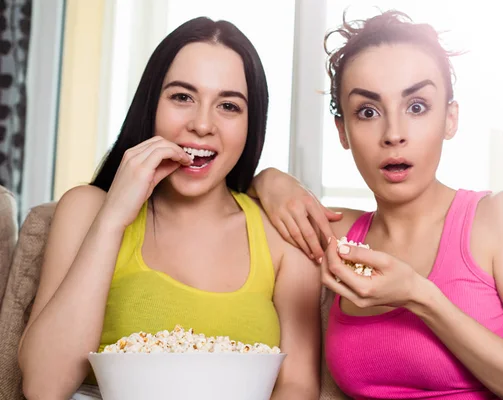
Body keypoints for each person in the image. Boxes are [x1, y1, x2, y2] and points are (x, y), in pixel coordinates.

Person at [251, 10, 503, 400]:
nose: (394, 134)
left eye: (417, 106)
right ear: (343, 132)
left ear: (450, 119)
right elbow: (237, 207)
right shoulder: (337, 235)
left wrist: (419, 297)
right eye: (368, 112)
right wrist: (268, 178)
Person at [18, 17, 320, 400]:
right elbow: (44, 387)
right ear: (151, 104)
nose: (202, 124)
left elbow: (297, 385)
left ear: (251, 125)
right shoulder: (87, 209)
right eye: (182, 97)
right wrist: (113, 218)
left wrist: (271, 177)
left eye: (228, 105)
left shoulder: (282, 235)